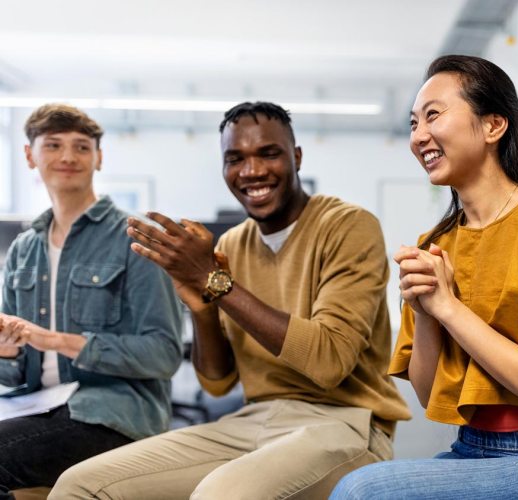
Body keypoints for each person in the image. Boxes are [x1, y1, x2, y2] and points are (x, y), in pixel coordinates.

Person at [50, 101, 410, 499]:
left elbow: (329, 362)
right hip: (254, 420)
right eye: (235, 159)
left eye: (268, 154)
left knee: (222, 495)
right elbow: (218, 382)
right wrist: (203, 308)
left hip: (346, 423)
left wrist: (215, 281)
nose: (251, 171)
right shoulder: (232, 245)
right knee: (80, 485)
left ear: (297, 157)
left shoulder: (347, 226)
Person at [331, 55, 518, 500]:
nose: (418, 136)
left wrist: (448, 306)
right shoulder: (436, 242)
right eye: (413, 123)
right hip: (472, 448)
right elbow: (432, 398)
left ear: (493, 126)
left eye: (433, 115)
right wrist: (426, 312)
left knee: (363, 491)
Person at [0, 104, 183, 498]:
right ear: (30, 156)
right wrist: (8, 353)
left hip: (110, 415)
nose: (68, 157)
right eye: (53, 145)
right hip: (33, 408)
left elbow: (165, 354)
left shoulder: (137, 238)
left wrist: (56, 340)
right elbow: (12, 375)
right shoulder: (23, 250)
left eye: (81, 147)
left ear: (98, 158)